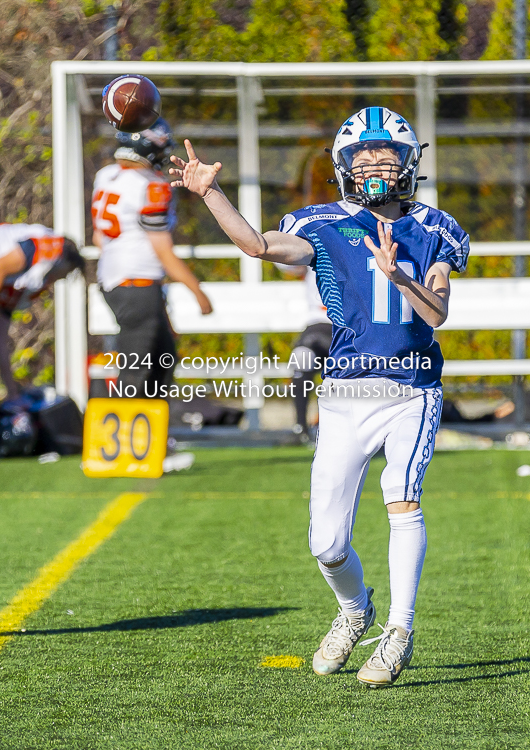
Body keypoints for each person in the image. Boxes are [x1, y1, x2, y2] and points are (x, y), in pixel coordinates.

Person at [169, 106, 469, 688]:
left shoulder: (435, 229)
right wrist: (211, 195)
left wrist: (401, 276)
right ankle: (357, 610)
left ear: (410, 164)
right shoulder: (322, 222)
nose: (376, 165)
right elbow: (256, 246)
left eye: (387, 156)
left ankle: (399, 634)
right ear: (343, 166)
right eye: (364, 156)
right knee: (327, 544)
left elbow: (439, 313)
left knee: (401, 498)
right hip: (344, 393)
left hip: (412, 388)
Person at [92, 117, 213, 403]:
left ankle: (153, 439)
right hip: (137, 283)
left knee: (163, 356)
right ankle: (124, 441)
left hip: (116, 279)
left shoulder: (106, 176)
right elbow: (163, 251)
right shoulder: (152, 186)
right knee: (136, 371)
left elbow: (99, 238)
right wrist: (198, 291)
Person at [0, 224, 84, 433]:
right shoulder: (52, 247)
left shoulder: (17, 283)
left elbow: (0, 342)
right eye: (63, 275)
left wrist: (13, 393)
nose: (57, 280)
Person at [274, 264, 331, 442]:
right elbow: (286, 263)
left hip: (350, 327)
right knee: (302, 357)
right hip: (317, 324)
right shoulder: (316, 247)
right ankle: (300, 428)